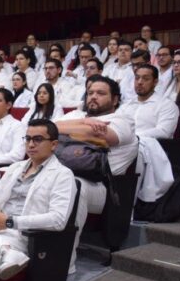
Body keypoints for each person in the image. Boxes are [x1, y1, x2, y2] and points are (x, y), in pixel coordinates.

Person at [0, 119, 78, 279]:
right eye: (27, 139)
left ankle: (6, 250)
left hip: (23, 238)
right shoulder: (14, 168)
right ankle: (5, 251)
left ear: (53, 144)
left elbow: (58, 220)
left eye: (38, 139)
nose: (31, 144)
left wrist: (11, 222)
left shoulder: (63, 175)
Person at [56, 76, 139, 216]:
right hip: (61, 172)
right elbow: (43, 128)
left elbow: (94, 134)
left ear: (115, 100)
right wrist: (83, 122)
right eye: (90, 93)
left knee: (69, 184)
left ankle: (67, 238)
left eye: (100, 93)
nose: (93, 97)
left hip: (98, 184)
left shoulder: (122, 120)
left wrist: (79, 129)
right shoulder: (76, 114)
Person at [118, 64, 180, 139]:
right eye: (137, 78)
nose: (139, 82)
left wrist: (132, 137)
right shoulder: (126, 105)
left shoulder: (166, 105)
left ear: (155, 82)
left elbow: (164, 132)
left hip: (150, 147)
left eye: (146, 79)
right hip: (123, 145)